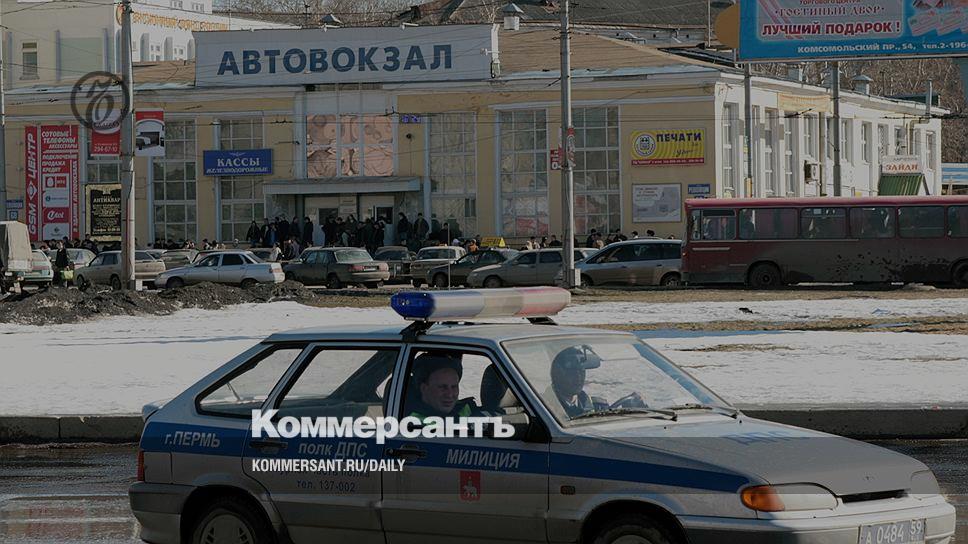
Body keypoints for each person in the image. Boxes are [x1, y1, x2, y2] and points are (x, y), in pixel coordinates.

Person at [406, 353, 478, 420]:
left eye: (454, 387)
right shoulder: (411, 421)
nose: (450, 394)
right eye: (442, 387)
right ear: (424, 388)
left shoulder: (466, 409)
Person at [549, 345, 601, 418]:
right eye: (572, 372)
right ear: (556, 373)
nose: (578, 377)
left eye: (581, 371)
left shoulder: (595, 406)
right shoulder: (544, 408)